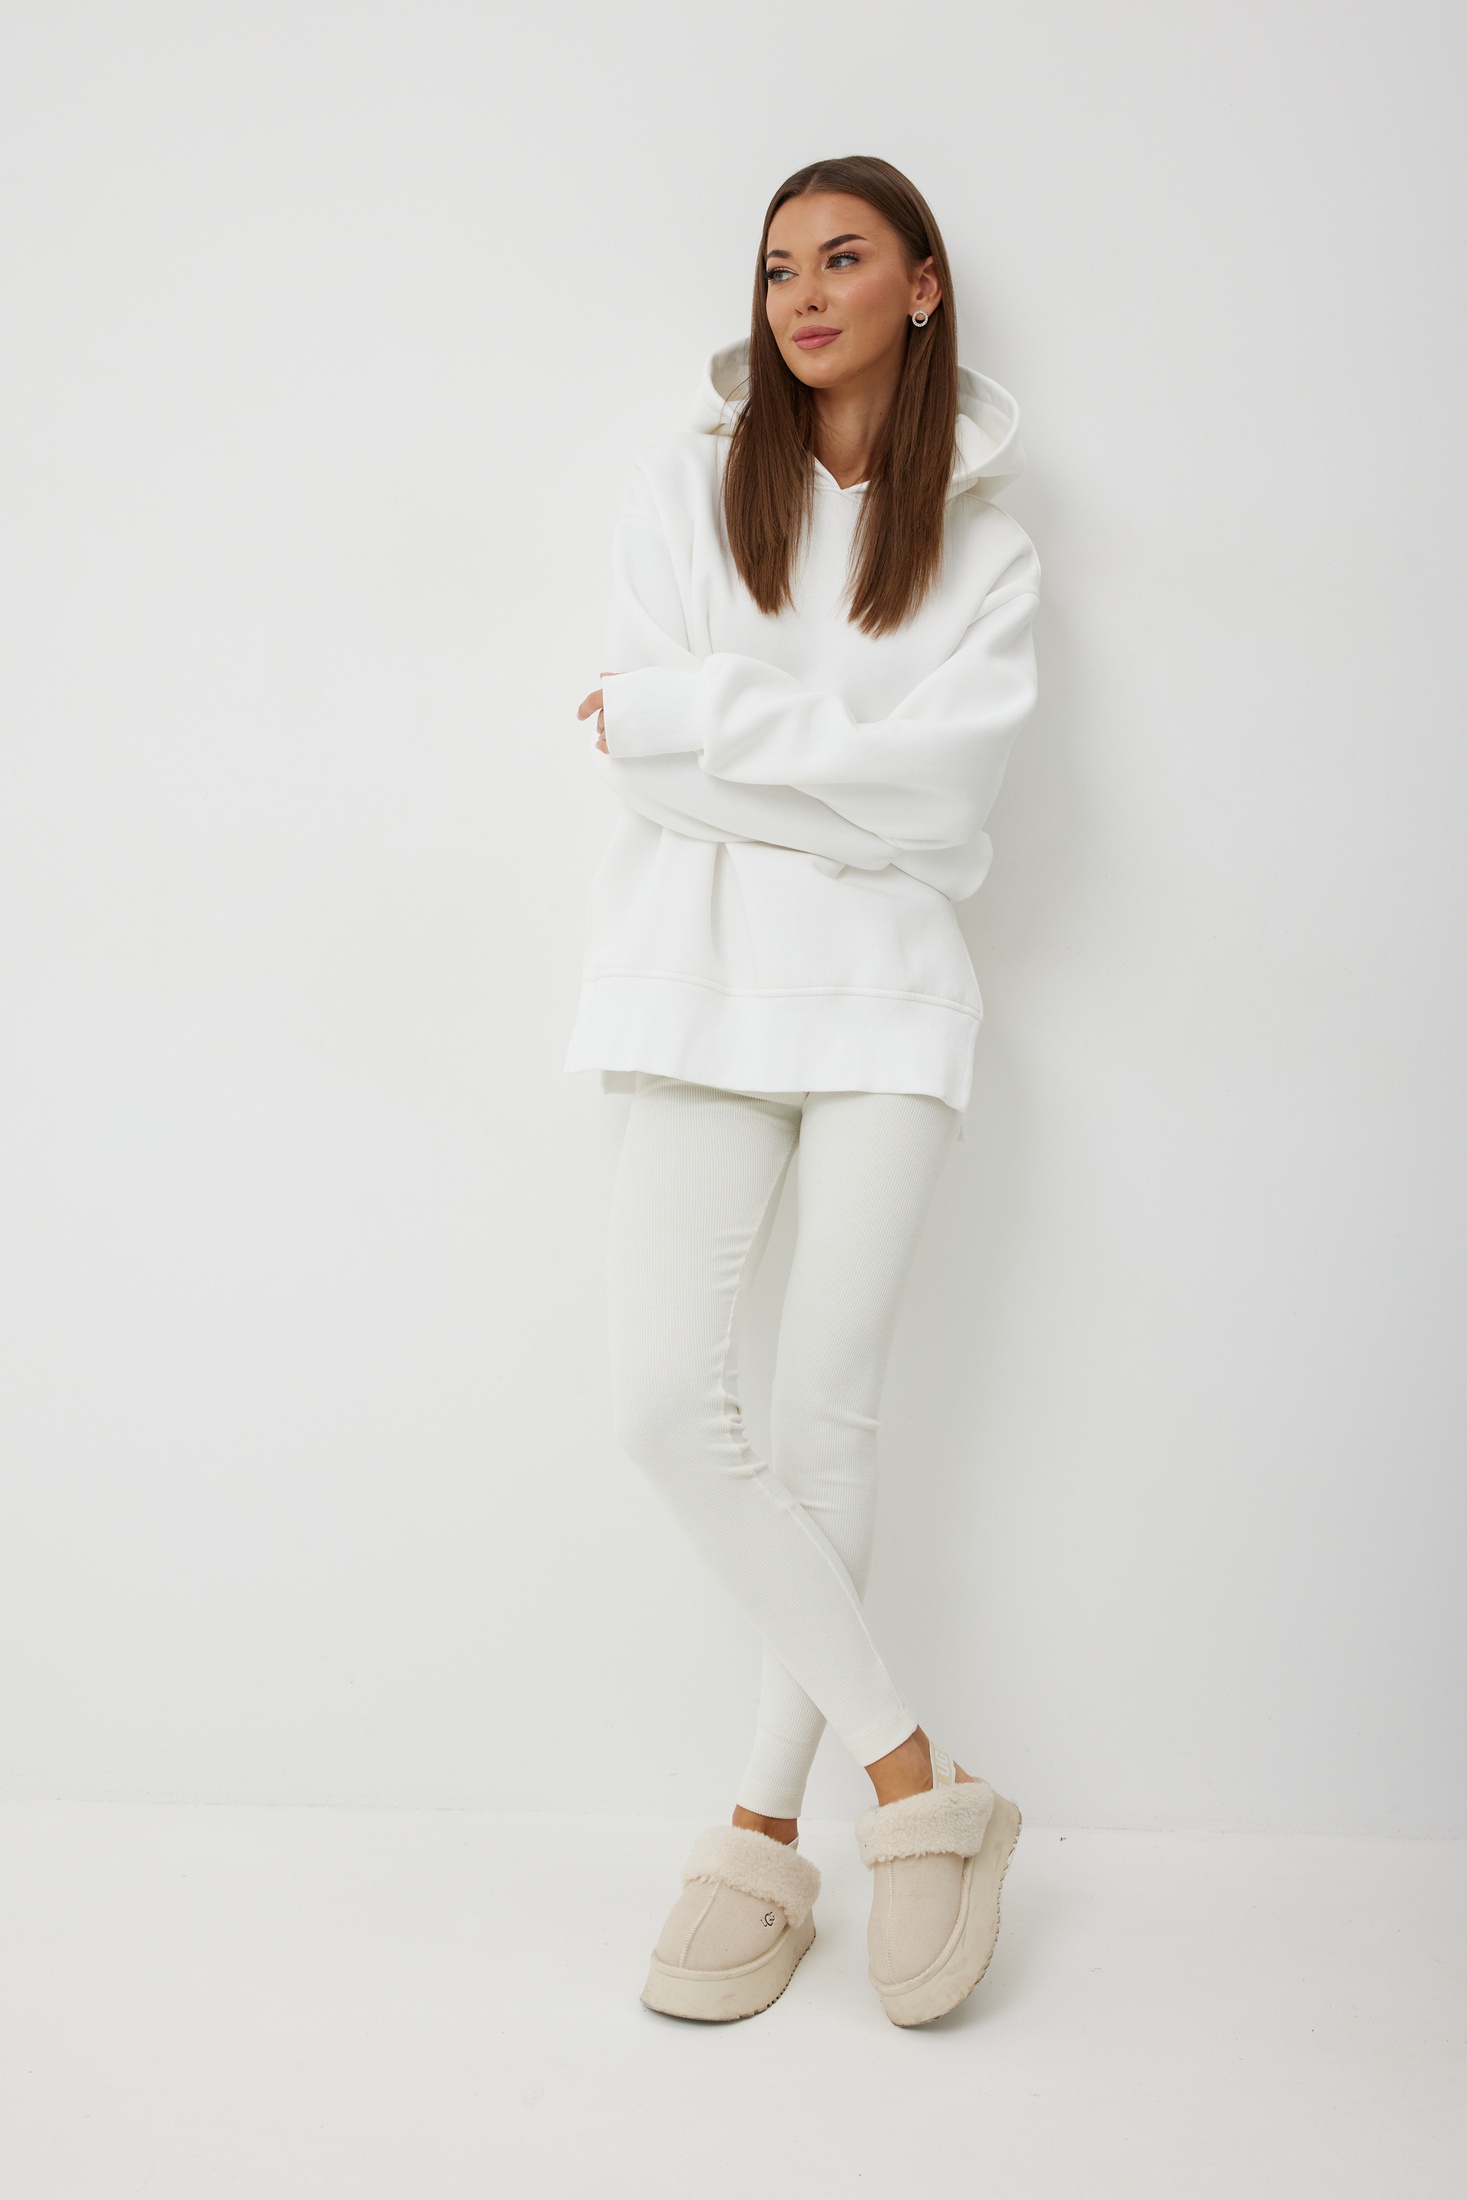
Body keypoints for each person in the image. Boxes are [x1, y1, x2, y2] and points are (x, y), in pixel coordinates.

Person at [564, 155, 1040, 2027]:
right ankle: (920, 1788)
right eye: (777, 269)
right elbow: (645, 768)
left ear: (921, 285)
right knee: (665, 1411)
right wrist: (846, 776)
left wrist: (706, 720)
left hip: (895, 1008)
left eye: (842, 260)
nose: (803, 296)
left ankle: (764, 1835)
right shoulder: (686, 487)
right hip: (696, 986)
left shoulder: (989, 554)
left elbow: (952, 808)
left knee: (824, 1426)